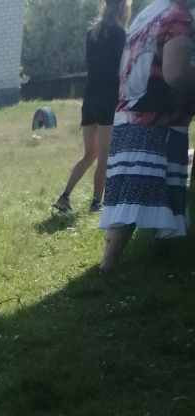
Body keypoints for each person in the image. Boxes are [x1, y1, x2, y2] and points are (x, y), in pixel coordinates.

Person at [100, 0, 195, 269]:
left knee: (134, 192)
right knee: (141, 190)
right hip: (156, 121)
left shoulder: (150, 12)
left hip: (129, 114)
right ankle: (109, 265)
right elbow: (176, 74)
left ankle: (120, 261)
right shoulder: (179, 17)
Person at [54, 0, 129, 214]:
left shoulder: (92, 33)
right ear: (123, 8)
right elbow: (123, 69)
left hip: (90, 99)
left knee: (89, 154)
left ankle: (64, 196)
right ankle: (96, 203)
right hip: (108, 99)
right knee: (104, 156)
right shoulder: (120, 34)